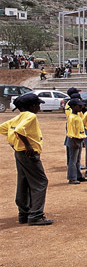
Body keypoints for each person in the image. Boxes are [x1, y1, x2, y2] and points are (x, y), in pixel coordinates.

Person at [0, 94, 51, 225]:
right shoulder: (30, 116)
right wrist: (27, 145)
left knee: (24, 182)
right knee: (40, 182)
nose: (39, 107)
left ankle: (24, 213)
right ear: (31, 106)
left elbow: (4, 129)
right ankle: (36, 215)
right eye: (37, 105)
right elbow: (19, 130)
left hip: (19, 153)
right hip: (29, 154)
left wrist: (14, 142)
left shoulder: (18, 117)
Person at [65, 99, 87, 185]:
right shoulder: (71, 117)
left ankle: (78, 176)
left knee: (78, 159)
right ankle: (72, 178)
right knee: (73, 160)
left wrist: (83, 140)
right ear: (73, 107)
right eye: (79, 106)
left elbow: (80, 129)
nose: (81, 107)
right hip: (74, 140)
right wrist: (74, 142)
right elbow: (71, 131)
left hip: (79, 139)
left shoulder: (78, 116)